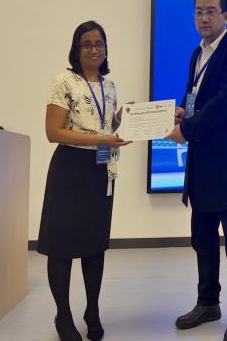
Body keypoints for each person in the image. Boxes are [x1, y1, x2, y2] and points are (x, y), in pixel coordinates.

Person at [165, 0, 227, 341]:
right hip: (202, 165)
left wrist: (187, 128)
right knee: (202, 239)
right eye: (198, 11)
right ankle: (207, 303)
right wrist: (183, 111)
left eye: (210, 11)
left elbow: (225, 102)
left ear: (225, 16)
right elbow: (198, 98)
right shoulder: (197, 54)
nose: (203, 17)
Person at [37, 21, 131, 341]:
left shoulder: (109, 86)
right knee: (61, 246)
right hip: (70, 168)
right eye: (86, 44)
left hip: (101, 170)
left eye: (99, 43)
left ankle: (92, 311)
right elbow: (53, 132)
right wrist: (102, 138)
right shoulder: (63, 81)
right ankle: (63, 315)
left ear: (106, 49)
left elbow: (106, 124)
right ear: (76, 49)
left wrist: (125, 118)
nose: (94, 49)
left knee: (94, 245)